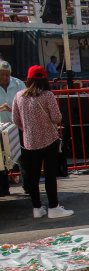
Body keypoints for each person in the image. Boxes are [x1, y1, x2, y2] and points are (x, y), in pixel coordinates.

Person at [12, 65, 73, 218]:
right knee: (50, 175)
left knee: (32, 177)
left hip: (29, 141)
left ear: (29, 79)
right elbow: (57, 118)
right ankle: (53, 207)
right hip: (49, 140)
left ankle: (37, 208)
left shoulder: (19, 96)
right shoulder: (48, 95)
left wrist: (28, 128)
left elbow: (15, 120)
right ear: (44, 79)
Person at [0, 60, 24, 196]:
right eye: (1, 74)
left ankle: (28, 186)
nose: (4, 77)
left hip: (18, 125)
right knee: (2, 160)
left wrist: (15, 110)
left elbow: (26, 101)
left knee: (23, 157)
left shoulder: (18, 84)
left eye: (6, 74)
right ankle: (3, 189)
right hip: (1, 129)